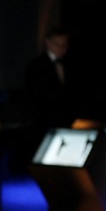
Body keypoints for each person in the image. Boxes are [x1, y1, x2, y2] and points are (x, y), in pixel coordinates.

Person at [23, 26, 76, 155]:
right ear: (48, 43)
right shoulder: (36, 66)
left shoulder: (69, 64)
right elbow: (34, 97)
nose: (62, 48)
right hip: (43, 123)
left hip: (65, 121)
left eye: (64, 45)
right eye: (58, 44)